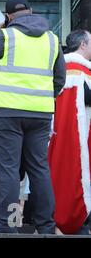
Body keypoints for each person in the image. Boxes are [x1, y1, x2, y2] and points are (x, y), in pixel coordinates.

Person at [0, 0, 66, 234]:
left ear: (8, 17)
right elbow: (60, 79)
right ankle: (46, 226)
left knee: (8, 170)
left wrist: (1, 32)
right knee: (39, 169)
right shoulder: (52, 39)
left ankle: (8, 225)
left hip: (6, 112)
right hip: (40, 114)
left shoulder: (5, 35)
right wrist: (43, 97)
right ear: (31, 10)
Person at [48, 29, 91, 234]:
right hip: (79, 136)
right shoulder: (79, 70)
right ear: (83, 44)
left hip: (59, 135)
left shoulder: (60, 67)